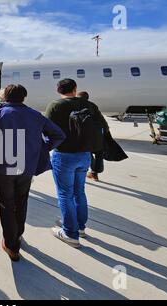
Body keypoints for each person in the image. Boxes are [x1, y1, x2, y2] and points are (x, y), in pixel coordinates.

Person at [0, 84, 65, 262]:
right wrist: (41, 148)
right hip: (26, 168)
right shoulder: (35, 115)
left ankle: (11, 245)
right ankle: (17, 235)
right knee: (21, 202)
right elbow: (58, 135)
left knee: (6, 205)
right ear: (24, 97)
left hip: (2, 169)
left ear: (4, 97)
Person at [46, 79, 97, 248]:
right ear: (75, 89)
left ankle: (70, 233)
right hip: (84, 155)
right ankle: (80, 227)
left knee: (65, 194)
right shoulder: (88, 105)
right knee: (79, 192)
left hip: (64, 155)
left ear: (58, 90)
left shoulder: (55, 106)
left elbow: (47, 130)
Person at [77, 91, 110, 182]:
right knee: (99, 154)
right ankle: (95, 173)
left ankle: (86, 173)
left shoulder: (76, 106)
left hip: (85, 136)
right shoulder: (93, 105)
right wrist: (106, 131)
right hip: (98, 135)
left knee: (88, 153)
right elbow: (101, 119)